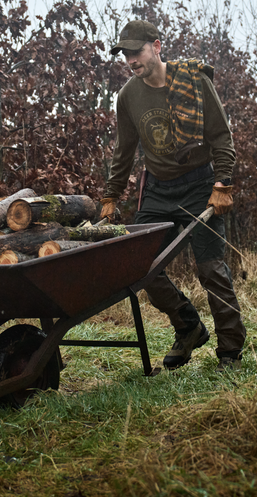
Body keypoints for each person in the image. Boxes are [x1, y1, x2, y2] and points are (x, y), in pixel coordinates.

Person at [99, 19, 246, 371]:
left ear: (157, 46)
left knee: (211, 268)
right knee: (140, 266)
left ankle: (230, 351)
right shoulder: (128, 96)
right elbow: (125, 150)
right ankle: (188, 327)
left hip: (199, 185)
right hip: (158, 190)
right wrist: (111, 195)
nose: (131, 59)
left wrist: (222, 185)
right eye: (126, 54)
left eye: (137, 51)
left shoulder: (194, 81)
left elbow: (221, 137)